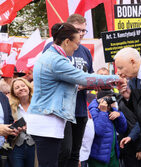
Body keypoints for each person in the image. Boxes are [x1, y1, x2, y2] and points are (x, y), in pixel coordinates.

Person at [25, 23, 119, 167]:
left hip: (48, 120)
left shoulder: (51, 56)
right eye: (76, 43)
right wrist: (116, 78)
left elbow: (72, 84)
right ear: (67, 41)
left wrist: (87, 84)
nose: (77, 48)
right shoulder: (56, 60)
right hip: (47, 121)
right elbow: (84, 78)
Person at [43, 14, 94, 167]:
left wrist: (87, 83)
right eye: (78, 30)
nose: (82, 34)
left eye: (84, 30)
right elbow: (47, 74)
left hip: (79, 109)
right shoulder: (53, 48)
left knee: (74, 153)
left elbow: (90, 76)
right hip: (60, 109)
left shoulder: (85, 51)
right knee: (63, 150)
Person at [88, 90, 127, 167]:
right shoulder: (93, 110)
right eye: (108, 98)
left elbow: (122, 129)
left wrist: (120, 115)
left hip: (113, 155)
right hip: (98, 157)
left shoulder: (112, 109)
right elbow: (98, 131)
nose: (111, 100)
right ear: (100, 99)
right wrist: (103, 112)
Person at [8, 78, 35, 167]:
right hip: (16, 147)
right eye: (17, 87)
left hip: (34, 146)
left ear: (28, 87)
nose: (21, 88)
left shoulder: (37, 105)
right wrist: (14, 128)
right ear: (14, 92)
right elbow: (8, 127)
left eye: (23, 86)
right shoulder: (11, 107)